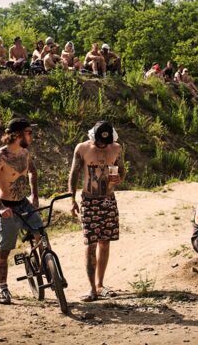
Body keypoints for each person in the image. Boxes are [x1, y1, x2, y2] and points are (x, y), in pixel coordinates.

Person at [0, 118, 40, 305]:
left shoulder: (25, 153)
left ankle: (47, 269)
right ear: (17, 135)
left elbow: (32, 171)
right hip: (7, 206)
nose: (31, 136)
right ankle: (3, 290)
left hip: (24, 203)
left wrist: (34, 195)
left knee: (41, 236)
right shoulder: (0, 157)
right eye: (28, 132)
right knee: (4, 251)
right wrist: (0, 207)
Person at [68, 121, 125, 302]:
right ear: (93, 136)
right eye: (99, 141)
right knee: (90, 244)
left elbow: (122, 172)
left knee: (105, 243)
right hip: (89, 201)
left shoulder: (116, 148)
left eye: (105, 142)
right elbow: (74, 174)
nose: (102, 145)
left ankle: (100, 285)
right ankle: (92, 288)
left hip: (108, 200)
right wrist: (72, 200)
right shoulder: (82, 149)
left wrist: (119, 178)